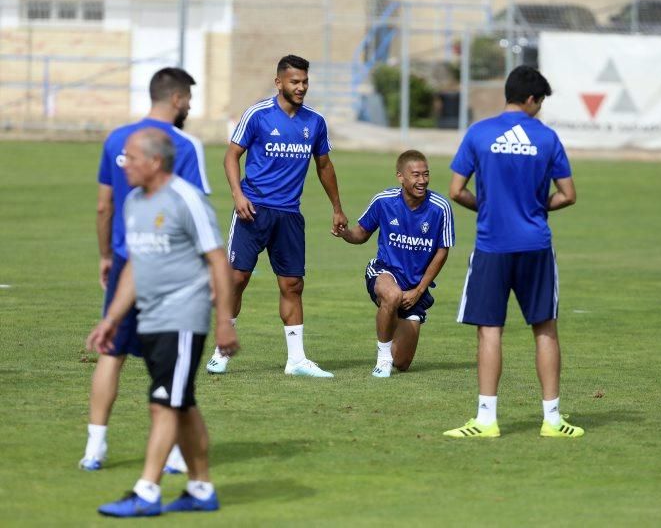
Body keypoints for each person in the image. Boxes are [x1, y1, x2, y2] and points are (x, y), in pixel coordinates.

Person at [86, 128, 239, 517]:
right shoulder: (135, 202)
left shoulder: (186, 199)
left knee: (163, 404)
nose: (124, 165)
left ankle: (147, 491)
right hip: (150, 317)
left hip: (183, 318)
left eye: (131, 158)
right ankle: (201, 489)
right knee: (180, 403)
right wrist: (113, 319)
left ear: (154, 161)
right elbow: (137, 267)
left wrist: (224, 320)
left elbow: (218, 260)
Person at [443, 66, 584, 439]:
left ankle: (486, 420)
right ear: (533, 99)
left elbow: (456, 190)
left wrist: (489, 207)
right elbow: (568, 195)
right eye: (540, 103)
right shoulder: (548, 138)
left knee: (490, 331)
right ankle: (552, 420)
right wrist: (534, 208)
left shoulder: (479, 133)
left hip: (492, 246)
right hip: (535, 246)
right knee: (545, 330)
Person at [81, 67, 211, 471]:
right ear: (175, 98)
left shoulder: (118, 139)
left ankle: (94, 448)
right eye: (188, 96)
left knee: (111, 353)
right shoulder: (185, 145)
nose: (189, 104)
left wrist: (106, 256)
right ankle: (173, 454)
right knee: (169, 362)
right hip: (169, 267)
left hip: (125, 260)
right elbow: (193, 211)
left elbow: (104, 205)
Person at [205, 54, 348, 377]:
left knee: (293, 284)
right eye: (295, 82)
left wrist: (337, 207)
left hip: (289, 215)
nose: (301, 87)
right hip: (252, 211)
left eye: (305, 82)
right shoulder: (257, 115)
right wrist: (238, 195)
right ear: (279, 82)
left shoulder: (315, 122)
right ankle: (221, 351)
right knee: (237, 280)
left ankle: (296, 360)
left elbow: (324, 166)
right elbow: (231, 156)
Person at [334, 150, 454, 377]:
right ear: (400, 177)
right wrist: (345, 234)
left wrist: (418, 291)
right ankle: (382, 359)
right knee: (392, 296)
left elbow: (442, 251)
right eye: (416, 175)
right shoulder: (384, 201)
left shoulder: (440, 208)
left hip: (415, 286)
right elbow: (361, 234)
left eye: (426, 175)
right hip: (384, 271)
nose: (422, 181)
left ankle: (394, 329)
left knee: (403, 362)